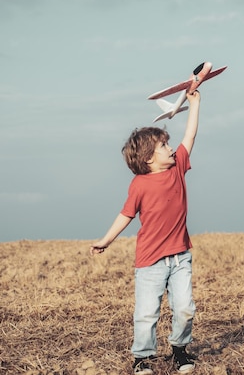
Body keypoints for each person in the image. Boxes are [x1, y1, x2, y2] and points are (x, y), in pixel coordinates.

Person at [90, 90, 201, 374]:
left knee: (185, 308)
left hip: (180, 258)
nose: (171, 148)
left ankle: (179, 350)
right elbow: (126, 215)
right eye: (165, 146)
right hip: (150, 261)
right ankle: (143, 357)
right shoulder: (139, 185)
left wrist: (195, 103)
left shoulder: (177, 169)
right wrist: (105, 241)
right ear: (149, 158)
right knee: (146, 314)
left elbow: (190, 137)